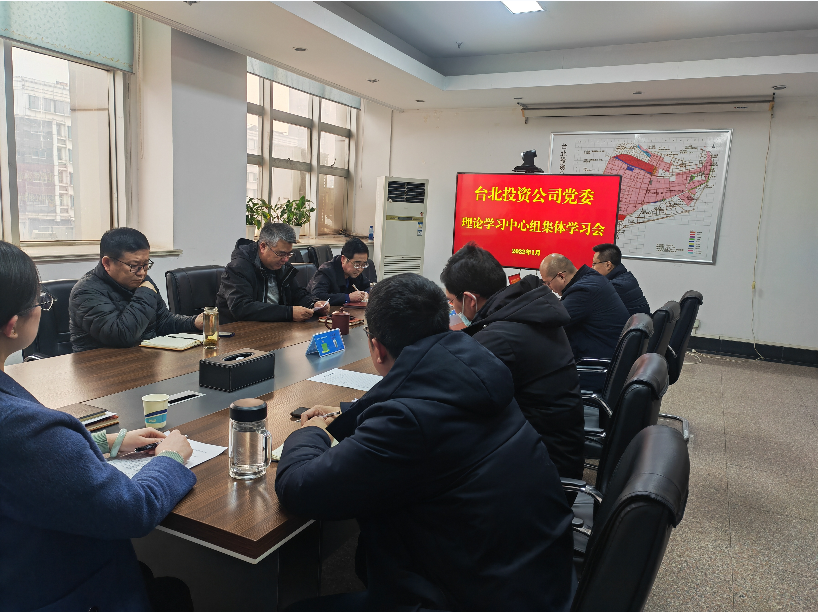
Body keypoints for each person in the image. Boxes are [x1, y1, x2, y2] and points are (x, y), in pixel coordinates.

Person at [276, 274, 575, 612]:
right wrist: (348, 414)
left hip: (468, 598)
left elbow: (297, 488)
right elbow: (422, 399)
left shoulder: (407, 424)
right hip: (537, 582)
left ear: (376, 348)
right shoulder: (480, 368)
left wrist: (312, 432)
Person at [0, 241, 196, 611]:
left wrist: (107, 442)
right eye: (40, 301)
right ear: (13, 325)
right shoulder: (23, 427)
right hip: (54, 588)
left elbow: (26, 463)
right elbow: (133, 509)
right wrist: (169, 459)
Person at [440, 243, 584, 482]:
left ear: (469, 300)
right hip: (553, 453)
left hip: (540, 475)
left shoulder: (500, 337)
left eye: (451, 301)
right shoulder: (527, 313)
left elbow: (452, 398)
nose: (453, 309)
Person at [69, 228, 203, 352]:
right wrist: (145, 293)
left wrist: (193, 322)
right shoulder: (85, 292)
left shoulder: (143, 281)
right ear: (107, 263)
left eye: (146, 265)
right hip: (101, 365)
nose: (142, 273)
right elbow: (121, 336)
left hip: (143, 359)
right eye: (134, 266)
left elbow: (163, 321)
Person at [216, 222, 329, 323]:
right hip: (238, 331)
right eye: (281, 254)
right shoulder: (238, 268)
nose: (285, 259)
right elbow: (241, 308)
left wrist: (314, 303)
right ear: (263, 247)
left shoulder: (282, 266)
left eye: (289, 254)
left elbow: (296, 293)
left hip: (274, 328)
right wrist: (288, 313)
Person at [540, 253, 630, 362]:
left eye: (548, 283)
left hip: (597, 361)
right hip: (608, 352)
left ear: (561, 276)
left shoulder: (583, 290)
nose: (549, 288)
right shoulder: (591, 278)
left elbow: (552, 320)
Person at [307, 237, 371, 306]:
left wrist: (367, 293)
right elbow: (317, 296)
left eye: (363, 264)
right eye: (357, 264)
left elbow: (368, 286)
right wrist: (348, 297)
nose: (360, 269)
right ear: (343, 259)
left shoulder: (355, 271)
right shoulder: (326, 271)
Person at [592, 243, 650, 316]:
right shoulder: (626, 277)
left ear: (608, 265)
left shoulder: (616, 286)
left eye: (594, 264)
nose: (592, 268)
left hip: (630, 323)